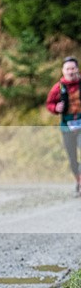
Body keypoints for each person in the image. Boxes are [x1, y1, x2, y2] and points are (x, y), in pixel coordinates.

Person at [46, 56, 81, 197]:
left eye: (73, 68)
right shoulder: (58, 87)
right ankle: (78, 181)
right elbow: (49, 104)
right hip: (67, 127)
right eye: (68, 69)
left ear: (77, 69)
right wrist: (56, 108)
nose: (71, 71)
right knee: (72, 158)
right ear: (63, 71)